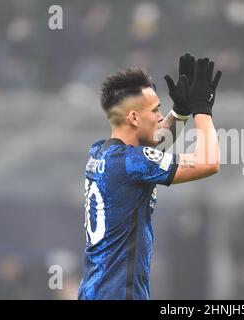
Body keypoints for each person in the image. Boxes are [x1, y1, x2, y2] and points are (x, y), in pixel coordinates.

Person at [78, 53, 222, 300]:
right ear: (133, 117)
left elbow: (149, 153)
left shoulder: (102, 152)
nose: (159, 116)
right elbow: (209, 162)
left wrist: (180, 112)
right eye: (156, 110)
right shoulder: (131, 163)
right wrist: (202, 110)